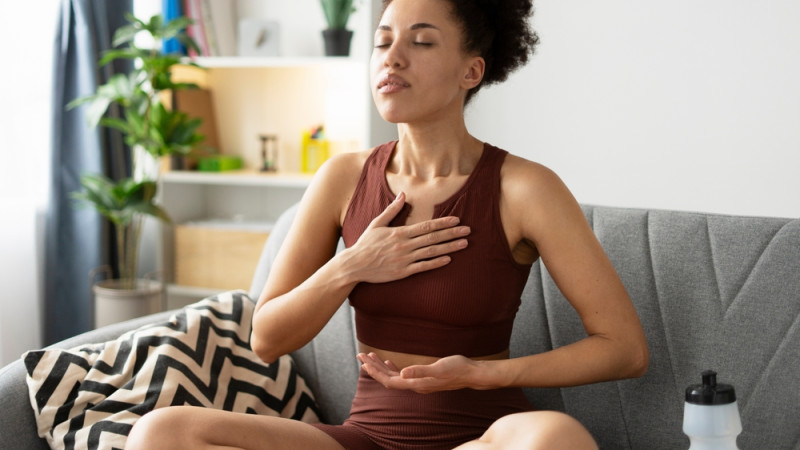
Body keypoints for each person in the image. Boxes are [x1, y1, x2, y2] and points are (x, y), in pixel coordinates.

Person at [126, 0, 649, 448]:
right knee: (161, 433)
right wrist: (352, 265)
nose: (392, 58)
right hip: (366, 437)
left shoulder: (524, 188)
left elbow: (624, 348)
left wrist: (486, 373)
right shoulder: (342, 178)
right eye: (382, 42)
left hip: (479, 438)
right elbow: (265, 339)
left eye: (421, 42)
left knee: (558, 438)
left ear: (471, 71)